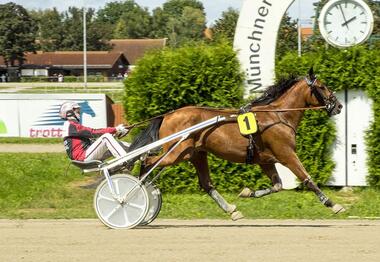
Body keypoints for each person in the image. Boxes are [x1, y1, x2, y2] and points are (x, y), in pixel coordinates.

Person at [59, 101, 130, 162]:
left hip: (86, 155)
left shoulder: (71, 126)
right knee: (106, 138)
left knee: (116, 144)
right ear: (69, 112)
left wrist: (115, 134)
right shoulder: (70, 125)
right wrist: (116, 129)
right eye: (77, 111)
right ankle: (125, 160)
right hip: (83, 157)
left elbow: (94, 140)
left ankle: (133, 148)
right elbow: (93, 132)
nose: (79, 113)